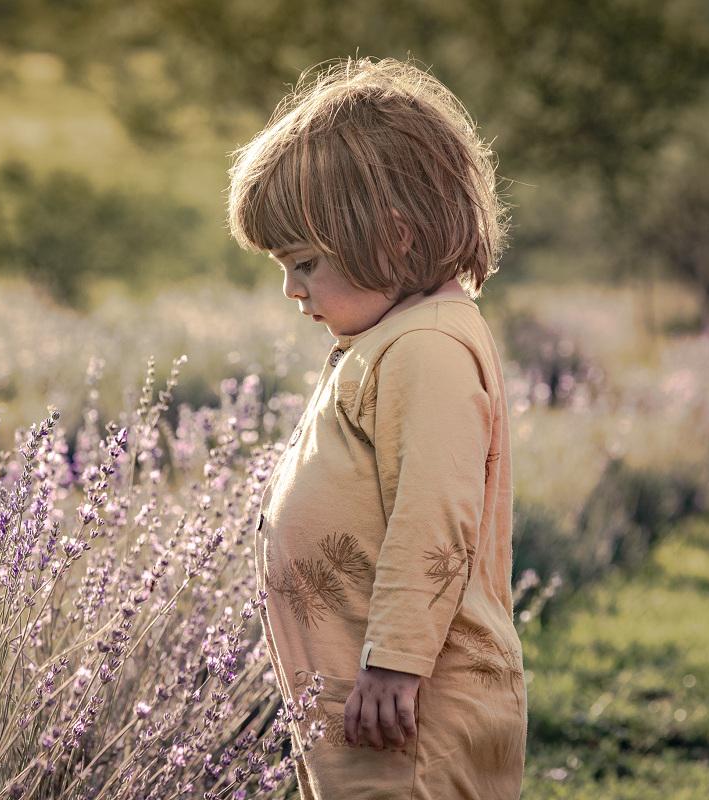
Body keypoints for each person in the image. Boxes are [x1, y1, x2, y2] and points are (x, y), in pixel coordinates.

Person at [225, 56, 526, 799]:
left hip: (411, 710)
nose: (291, 289)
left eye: (303, 263)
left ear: (392, 238)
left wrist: (394, 660)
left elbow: (433, 513)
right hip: (370, 697)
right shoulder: (396, 339)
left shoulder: (425, 348)